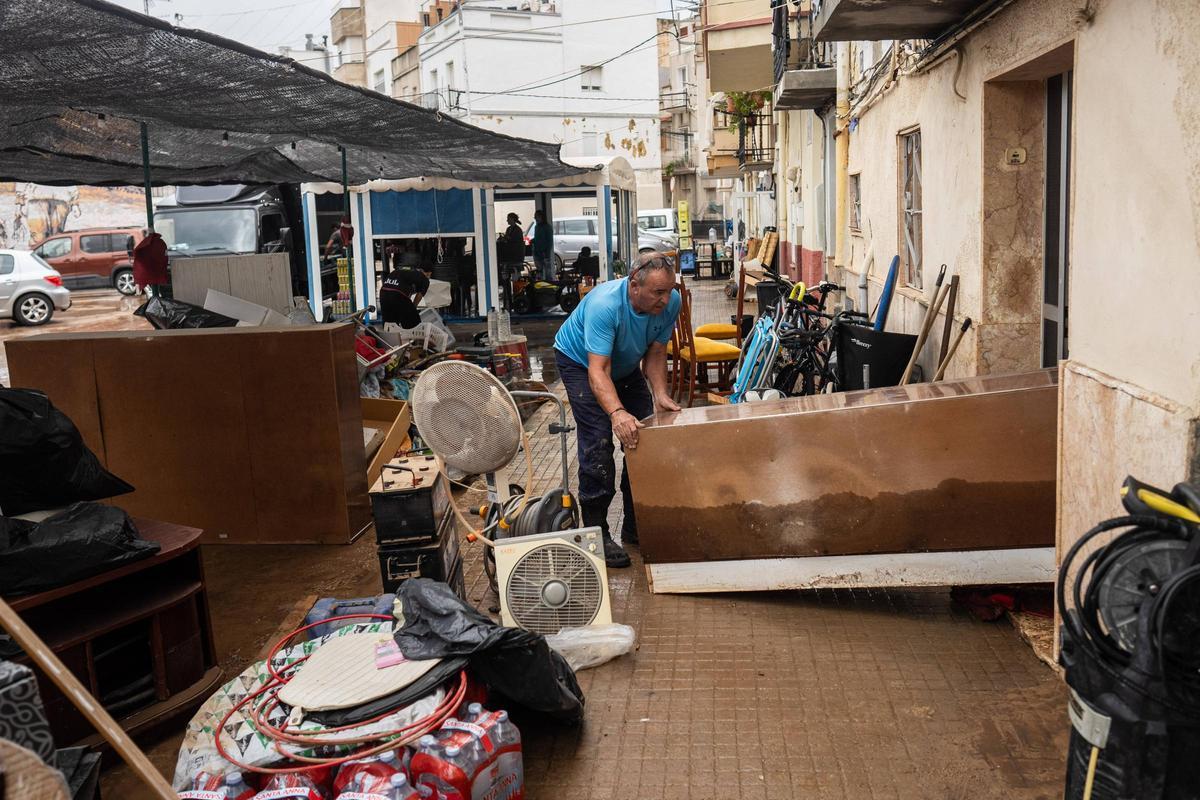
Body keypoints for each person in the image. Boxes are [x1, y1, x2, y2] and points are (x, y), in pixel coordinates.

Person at [552, 252, 682, 567]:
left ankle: (636, 526)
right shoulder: (605, 305)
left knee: (644, 438)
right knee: (598, 442)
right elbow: (599, 371)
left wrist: (660, 393)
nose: (665, 300)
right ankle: (596, 534)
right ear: (633, 285)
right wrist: (617, 413)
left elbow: (656, 351)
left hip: (622, 366)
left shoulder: (671, 301)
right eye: (658, 293)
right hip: (582, 365)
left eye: (668, 290)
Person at [378, 264, 430, 329]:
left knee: (390, 325)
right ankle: (413, 338)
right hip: (398, 294)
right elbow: (419, 296)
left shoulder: (402, 272)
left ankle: (389, 338)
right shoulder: (424, 279)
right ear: (429, 273)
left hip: (384, 293)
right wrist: (413, 309)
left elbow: (406, 293)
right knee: (413, 323)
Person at [531, 209, 554, 282]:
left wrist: (547, 253)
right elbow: (538, 238)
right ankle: (541, 286)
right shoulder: (536, 227)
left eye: (536, 216)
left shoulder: (547, 227)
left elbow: (550, 241)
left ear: (541, 217)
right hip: (537, 252)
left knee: (547, 272)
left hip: (544, 253)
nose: (535, 218)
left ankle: (549, 286)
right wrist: (533, 240)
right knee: (539, 271)